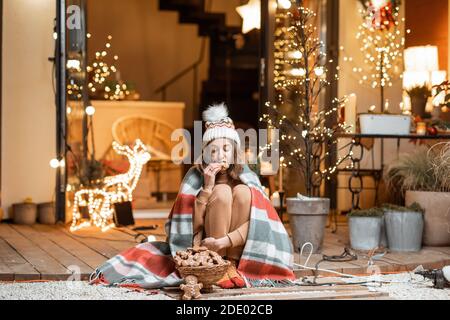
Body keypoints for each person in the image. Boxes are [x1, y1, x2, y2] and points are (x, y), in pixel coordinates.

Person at [90, 103, 295, 290]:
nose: (220, 155)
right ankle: (216, 263)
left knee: (242, 192)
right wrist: (207, 189)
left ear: (234, 152)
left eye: (226, 149)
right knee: (221, 192)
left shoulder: (247, 178)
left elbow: (259, 223)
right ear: (206, 154)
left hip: (232, 245)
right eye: (213, 151)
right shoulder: (195, 178)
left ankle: (231, 263)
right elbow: (192, 225)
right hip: (206, 245)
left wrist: (224, 241)